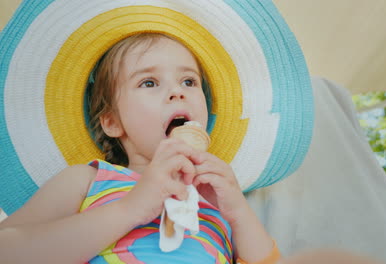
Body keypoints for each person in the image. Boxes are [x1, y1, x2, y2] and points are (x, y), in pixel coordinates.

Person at [0, 33, 279, 264]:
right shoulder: (89, 180)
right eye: (149, 82)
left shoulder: (218, 199)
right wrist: (130, 209)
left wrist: (238, 212)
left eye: (189, 81)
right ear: (111, 122)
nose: (177, 92)